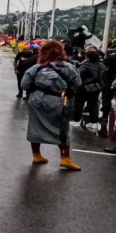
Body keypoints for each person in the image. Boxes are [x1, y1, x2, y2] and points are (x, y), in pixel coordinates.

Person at [21, 40, 82, 170]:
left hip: (37, 100)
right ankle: (65, 158)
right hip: (59, 100)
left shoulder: (36, 68)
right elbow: (78, 83)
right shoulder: (68, 67)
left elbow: (24, 85)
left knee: (35, 125)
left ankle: (36, 155)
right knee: (62, 128)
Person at [74, 48, 105, 132]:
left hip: (84, 87)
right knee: (94, 105)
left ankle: (76, 119)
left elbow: (78, 74)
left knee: (79, 104)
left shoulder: (85, 65)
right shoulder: (101, 65)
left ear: (88, 57)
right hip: (96, 87)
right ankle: (94, 122)